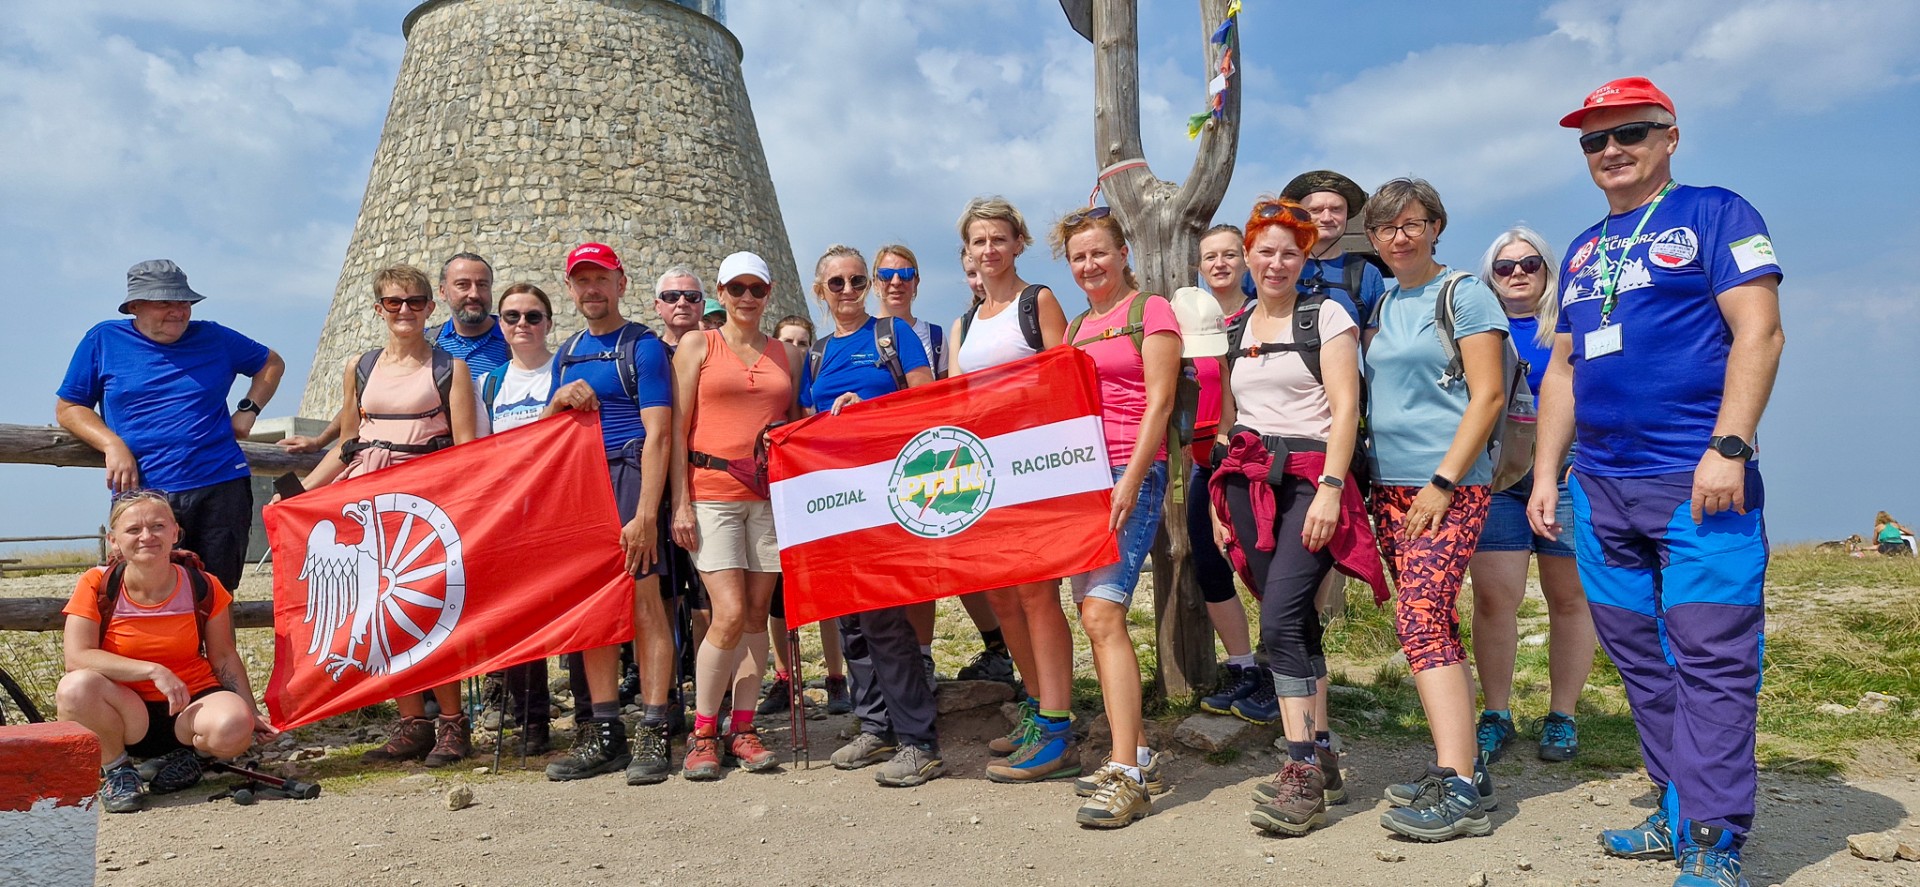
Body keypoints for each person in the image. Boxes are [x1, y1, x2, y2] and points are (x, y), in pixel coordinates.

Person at [1533, 77, 1784, 887]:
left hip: (1698, 478)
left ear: (1670, 136)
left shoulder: (1717, 213)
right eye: (1593, 140)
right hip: (1601, 486)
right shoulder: (1580, 248)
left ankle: (1714, 837)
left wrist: (1731, 446)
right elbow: (1564, 371)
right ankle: (1677, 805)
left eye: (1629, 134)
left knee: (1710, 654)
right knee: (1639, 654)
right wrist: (1547, 472)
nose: (1611, 150)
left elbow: (1761, 331)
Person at [1209, 198, 1383, 837]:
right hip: (1248, 485)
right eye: (1266, 251)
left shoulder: (1327, 315)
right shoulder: (1237, 328)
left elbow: (1346, 408)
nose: (1276, 262)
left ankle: (1301, 767)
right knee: (1294, 620)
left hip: (1313, 480)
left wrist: (1336, 489)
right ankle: (1325, 746)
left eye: (1290, 252)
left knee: (1279, 619)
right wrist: (1214, 494)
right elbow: (1229, 420)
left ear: (1305, 258)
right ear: (1249, 256)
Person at [1361, 179, 1508, 842]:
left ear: (1435, 226)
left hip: (1444, 486)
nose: (1401, 235)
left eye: (1414, 222)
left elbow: (1489, 395)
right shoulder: (1387, 302)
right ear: (1374, 238)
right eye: (1389, 227)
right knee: (1428, 621)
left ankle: (1459, 785)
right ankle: (1463, 771)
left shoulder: (1465, 294)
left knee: (1421, 619)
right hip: (1389, 488)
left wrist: (1445, 481)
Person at [296, 265, 479, 767]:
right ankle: (411, 721)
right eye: (394, 302)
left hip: (423, 503)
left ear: (429, 308)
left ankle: (451, 722)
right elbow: (349, 442)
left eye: (415, 302)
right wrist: (301, 493)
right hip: (368, 499)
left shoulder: (450, 369)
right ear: (378, 309)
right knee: (378, 609)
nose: (404, 311)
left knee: (427, 610)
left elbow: (465, 448)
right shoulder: (360, 365)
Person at [798, 244, 947, 787]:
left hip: (888, 494)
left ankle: (918, 740)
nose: (846, 291)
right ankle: (876, 723)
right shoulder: (813, 354)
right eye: (835, 283)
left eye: (856, 281)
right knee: (850, 620)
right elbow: (807, 424)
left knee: (886, 617)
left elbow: (928, 404)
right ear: (820, 291)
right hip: (837, 500)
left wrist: (871, 409)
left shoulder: (893, 335)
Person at [944, 198, 1078, 784]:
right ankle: (1033, 706)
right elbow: (951, 401)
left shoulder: (1038, 301)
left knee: (1037, 595)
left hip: (1031, 471)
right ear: (967, 252)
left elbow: (1064, 380)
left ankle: (1056, 725)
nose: (989, 250)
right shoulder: (965, 322)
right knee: (1001, 597)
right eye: (979, 241)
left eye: (999, 239)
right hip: (981, 476)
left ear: (1017, 242)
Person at [1054, 206, 1179, 828]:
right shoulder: (1077, 326)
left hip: (1131, 475)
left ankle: (1128, 773)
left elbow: (1160, 402)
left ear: (1123, 252)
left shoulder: (1149, 312)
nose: (1089, 265)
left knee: (1104, 613)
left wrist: (1130, 477)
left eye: (1099, 252)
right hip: (1083, 482)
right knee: (1094, 619)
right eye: (1078, 257)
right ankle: (1129, 750)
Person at [538, 243, 680, 786]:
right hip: (580, 486)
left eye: (602, 279)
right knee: (593, 608)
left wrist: (647, 512)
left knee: (646, 603)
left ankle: (651, 726)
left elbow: (661, 432)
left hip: (627, 476)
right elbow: (547, 432)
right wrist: (556, 403)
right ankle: (603, 730)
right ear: (571, 289)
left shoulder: (642, 346)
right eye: (582, 281)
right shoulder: (567, 351)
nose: (592, 289)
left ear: (621, 284)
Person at [57, 259, 287, 591]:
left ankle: (217, 647)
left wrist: (248, 410)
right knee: (144, 595)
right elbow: (69, 407)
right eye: (165, 301)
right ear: (135, 306)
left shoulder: (214, 336)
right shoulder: (103, 340)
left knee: (216, 596)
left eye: (184, 302)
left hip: (221, 485)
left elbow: (271, 363)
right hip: (143, 492)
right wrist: (111, 444)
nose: (178, 311)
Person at [56, 491, 275, 813]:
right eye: (134, 530)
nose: (147, 536)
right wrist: (153, 671)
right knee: (74, 688)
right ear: (114, 540)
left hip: (190, 705)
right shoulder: (97, 583)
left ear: (175, 532)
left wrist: (251, 712)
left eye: (157, 526)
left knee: (235, 726)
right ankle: (117, 769)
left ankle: (193, 758)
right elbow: (77, 657)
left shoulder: (203, 584)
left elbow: (224, 656)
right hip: (125, 711)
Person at [1467, 227, 1596, 767]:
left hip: (1567, 473)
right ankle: (1496, 715)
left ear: (1548, 269)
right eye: (1504, 266)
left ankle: (1562, 716)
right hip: (1500, 478)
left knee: (1569, 598)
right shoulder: (1478, 327)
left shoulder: (1570, 325)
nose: (1517, 273)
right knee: (1496, 599)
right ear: (1489, 276)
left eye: (1529, 263)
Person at [670, 251, 801, 780]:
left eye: (758, 288)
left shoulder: (785, 355)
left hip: (767, 498)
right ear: (720, 293)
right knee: (725, 612)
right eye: (737, 288)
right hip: (712, 493)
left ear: (769, 294)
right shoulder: (699, 344)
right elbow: (678, 429)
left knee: (753, 615)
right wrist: (679, 501)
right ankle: (704, 731)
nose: (748, 297)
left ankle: (742, 727)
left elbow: (793, 427)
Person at [874, 241, 1016, 690]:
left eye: (906, 273)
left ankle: (996, 649)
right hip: (882, 464)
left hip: (933, 461)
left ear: (918, 281)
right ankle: (922, 657)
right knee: (913, 572)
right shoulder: (863, 334)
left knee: (961, 561)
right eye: (887, 274)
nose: (896, 282)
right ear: (877, 281)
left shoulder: (939, 336)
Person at [280, 252, 502, 453]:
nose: (474, 293)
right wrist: (320, 441)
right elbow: (371, 400)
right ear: (443, 292)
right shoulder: (426, 343)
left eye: (482, 285)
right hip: (440, 460)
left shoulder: (516, 344)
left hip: (499, 456)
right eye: (463, 285)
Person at [1187, 224, 1268, 724]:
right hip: (1201, 462)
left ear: (1245, 260)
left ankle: (1282, 668)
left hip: (1252, 458)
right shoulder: (1189, 324)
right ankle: (1244, 669)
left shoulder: (1260, 315)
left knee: (1263, 567)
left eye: (1229, 254)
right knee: (1209, 564)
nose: (1219, 264)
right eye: (1210, 256)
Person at [476, 282, 561, 754]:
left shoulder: (563, 368)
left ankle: (592, 716)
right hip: (512, 514)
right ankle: (533, 721)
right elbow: (482, 453)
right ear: (500, 324)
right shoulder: (491, 383)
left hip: (558, 508)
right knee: (521, 618)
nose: (522, 325)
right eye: (512, 317)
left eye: (533, 316)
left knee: (568, 611)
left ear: (549, 322)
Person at [759, 314, 851, 717]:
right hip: (772, 495)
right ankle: (784, 677)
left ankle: (835, 677)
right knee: (779, 597)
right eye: (788, 342)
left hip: (815, 494)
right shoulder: (769, 386)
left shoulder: (813, 385)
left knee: (825, 593)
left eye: (802, 342)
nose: (796, 349)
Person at [1282, 170, 1387, 326]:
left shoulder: (1367, 274)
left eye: (1336, 209)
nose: (1326, 218)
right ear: (1299, 216)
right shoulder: (1272, 266)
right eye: (1315, 210)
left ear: (1346, 215)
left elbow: (1374, 345)